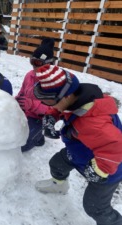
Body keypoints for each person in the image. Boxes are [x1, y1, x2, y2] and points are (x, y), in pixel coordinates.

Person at [33, 64, 122, 225]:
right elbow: (62, 108)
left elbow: (116, 146)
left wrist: (99, 170)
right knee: (57, 164)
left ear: (65, 96)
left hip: (107, 169)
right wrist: (52, 116)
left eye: (48, 101)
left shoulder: (93, 123)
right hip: (79, 152)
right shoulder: (76, 99)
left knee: (95, 207)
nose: (47, 105)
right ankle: (59, 186)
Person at [15, 38, 59, 152]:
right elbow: (22, 93)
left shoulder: (56, 82)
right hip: (25, 113)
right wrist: (15, 102)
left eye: (38, 63)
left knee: (21, 145)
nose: (34, 67)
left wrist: (32, 105)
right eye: (32, 62)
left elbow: (55, 109)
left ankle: (39, 136)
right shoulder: (29, 75)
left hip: (39, 119)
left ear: (48, 63)